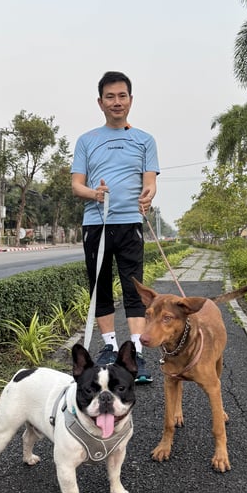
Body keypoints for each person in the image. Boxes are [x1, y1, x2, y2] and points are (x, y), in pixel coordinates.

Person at [71, 70, 160, 383]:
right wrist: (94, 194)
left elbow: (149, 182)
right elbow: (76, 185)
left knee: (134, 287)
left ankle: (134, 352)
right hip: (96, 224)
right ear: (100, 102)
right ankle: (109, 347)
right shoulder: (87, 141)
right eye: (110, 97)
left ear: (130, 100)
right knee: (101, 287)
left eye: (122, 96)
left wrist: (148, 195)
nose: (117, 102)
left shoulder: (144, 140)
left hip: (130, 223)